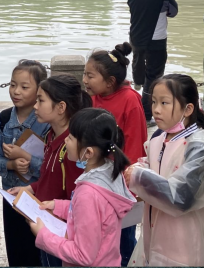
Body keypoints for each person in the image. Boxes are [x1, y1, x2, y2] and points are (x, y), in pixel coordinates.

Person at [124, 74, 204, 267]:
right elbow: (155, 167)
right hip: (153, 229)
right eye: (153, 102)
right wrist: (141, 168)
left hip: (182, 237)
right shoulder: (158, 140)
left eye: (164, 103)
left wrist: (137, 175)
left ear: (188, 109)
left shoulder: (199, 146)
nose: (156, 109)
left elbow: (180, 197)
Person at [30, 108, 136, 267]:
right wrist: (57, 205)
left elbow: (83, 255)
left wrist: (43, 235)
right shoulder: (108, 172)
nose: (66, 140)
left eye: (71, 137)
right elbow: (94, 214)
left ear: (88, 153)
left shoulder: (88, 193)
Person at [8, 74, 92, 267]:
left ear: (61, 108)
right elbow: (50, 178)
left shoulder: (72, 148)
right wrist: (30, 189)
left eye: (41, 100)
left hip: (60, 232)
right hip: (46, 223)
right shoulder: (51, 135)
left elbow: (77, 198)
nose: (35, 106)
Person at [83, 42, 147, 266]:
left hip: (120, 183)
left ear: (110, 82)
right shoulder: (93, 97)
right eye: (85, 74)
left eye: (90, 76)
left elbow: (135, 146)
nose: (85, 81)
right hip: (95, 180)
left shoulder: (130, 101)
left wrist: (128, 187)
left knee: (122, 236)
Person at [0, 60, 50, 267]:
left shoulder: (46, 123)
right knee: (15, 248)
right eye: (13, 85)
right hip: (12, 197)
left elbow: (53, 167)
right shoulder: (3, 119)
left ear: (40, 90)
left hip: (40, 198)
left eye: (24, 87)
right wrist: (11, 165)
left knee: (40, 249)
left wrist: (28, 158)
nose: (16, 91)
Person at [127, 0, 178, 126]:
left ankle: (138, 83)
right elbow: (173, 11)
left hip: (136, 36)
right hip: (156, 39)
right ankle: (146, 115)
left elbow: (131, 5)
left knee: (138, 63)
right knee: (154, 76)